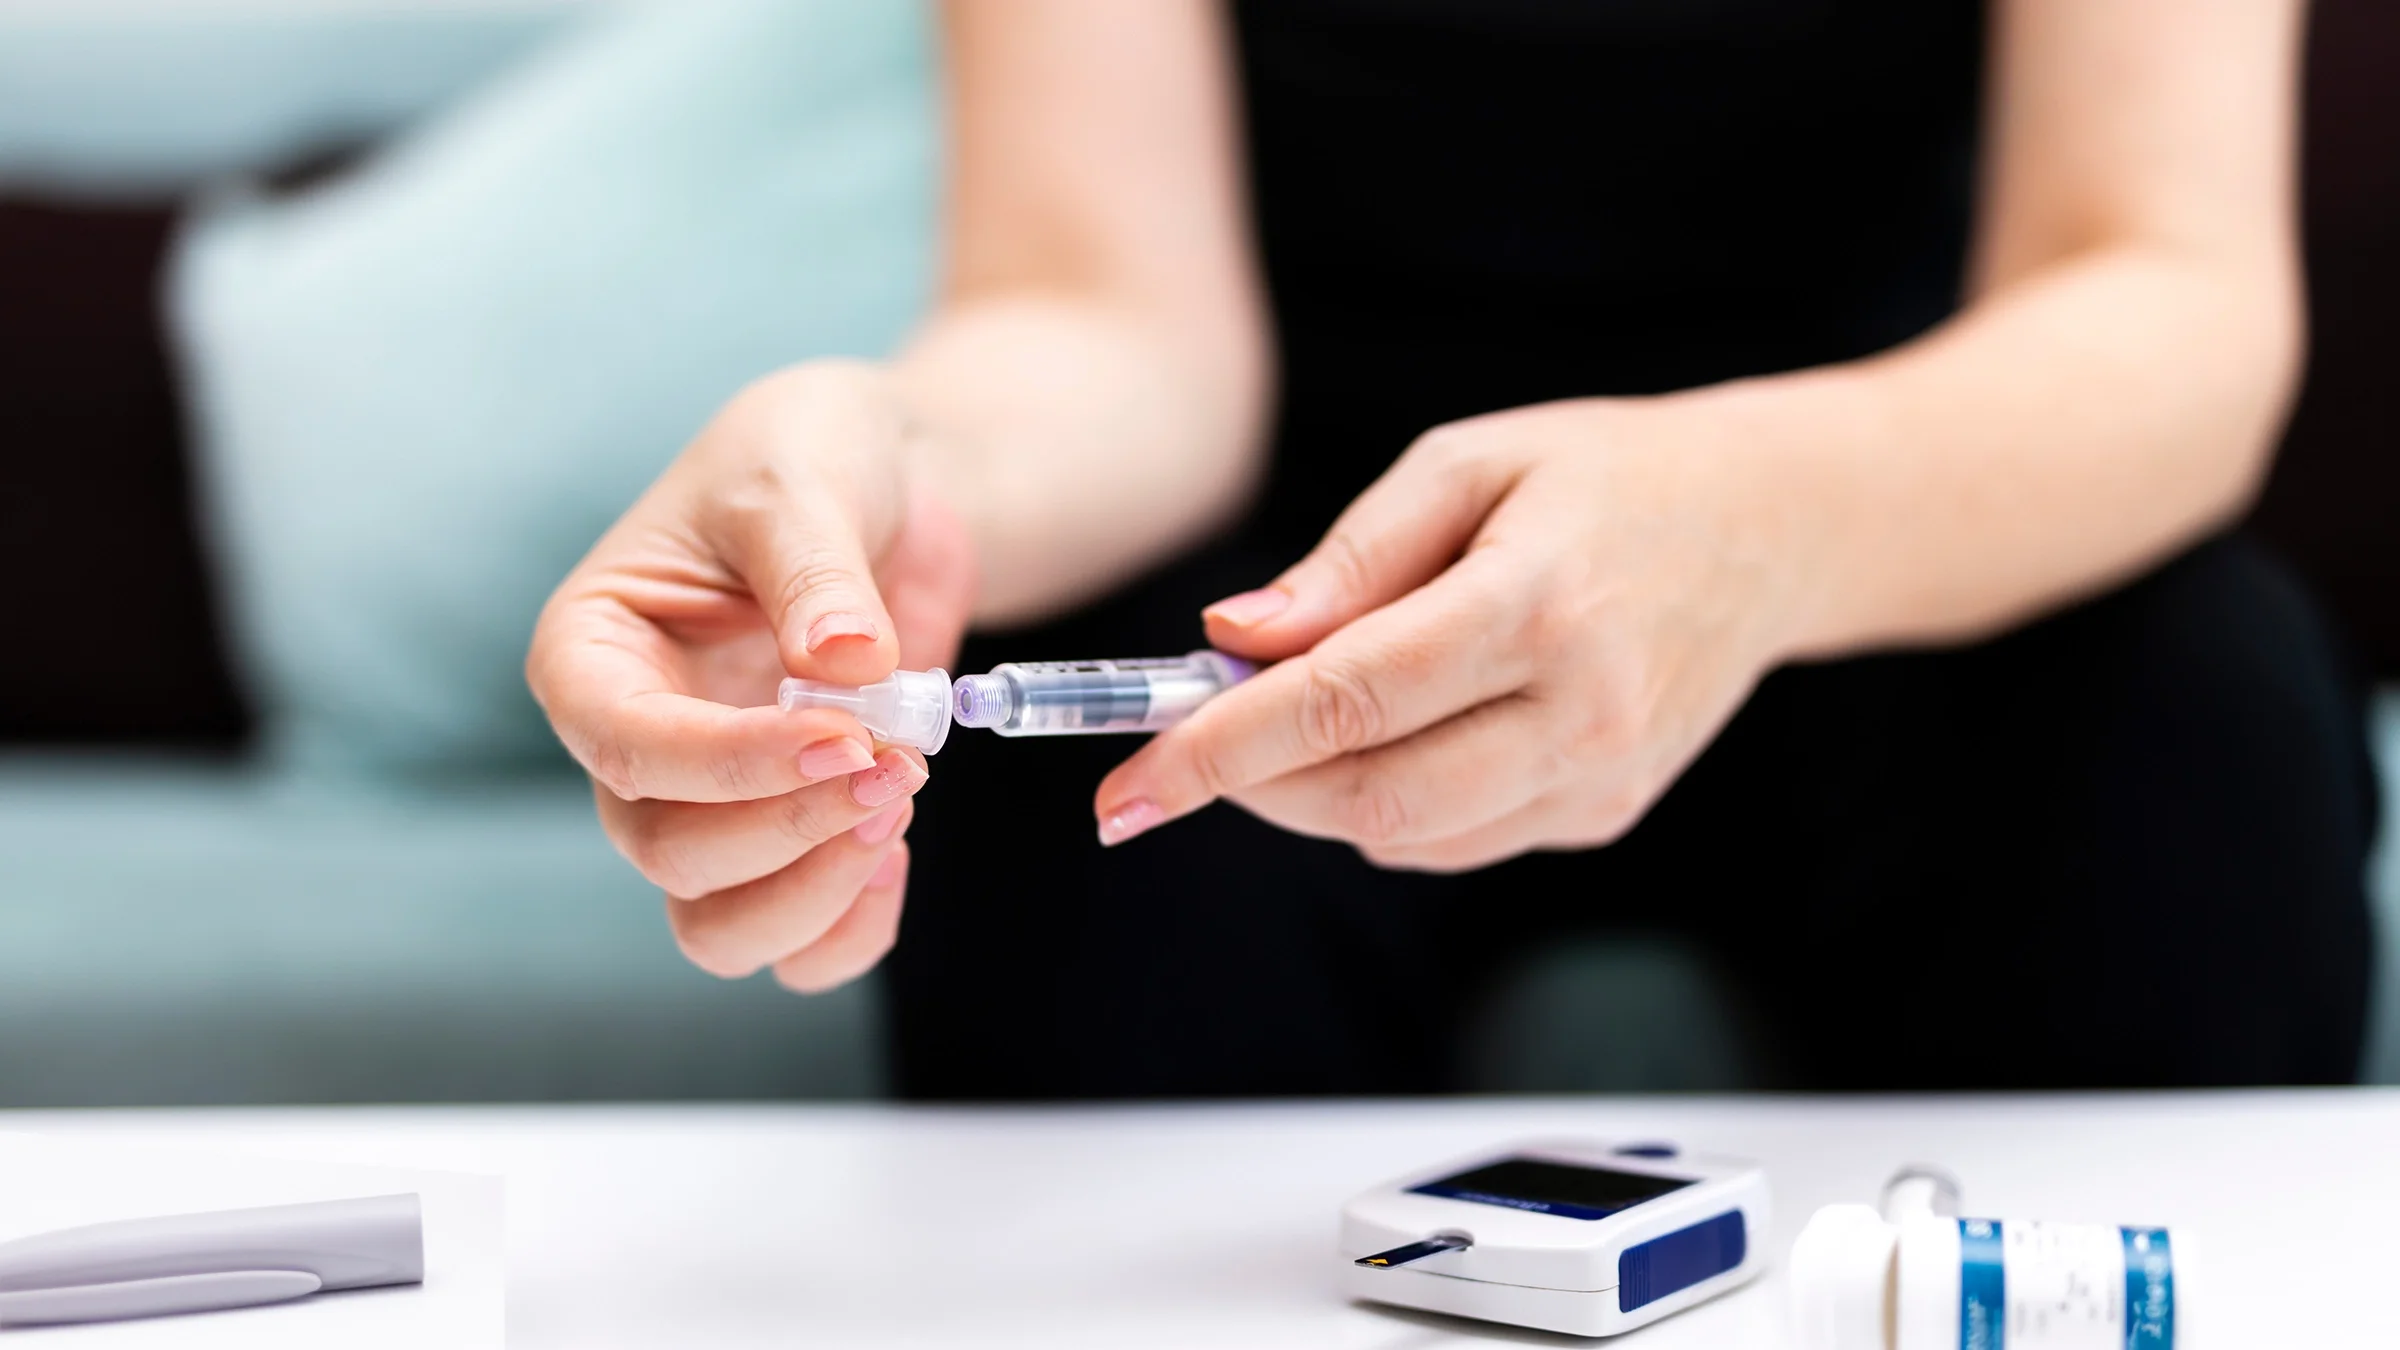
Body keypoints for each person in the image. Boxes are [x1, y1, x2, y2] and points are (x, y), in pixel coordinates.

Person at [527, 0, 2375, 1097]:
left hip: (1893, 533)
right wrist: (905, 473)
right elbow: (1112, 314)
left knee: (2199, 720)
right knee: (1073, 831)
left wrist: (1751, 523)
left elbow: (2166, 287)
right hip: (1275, 588)